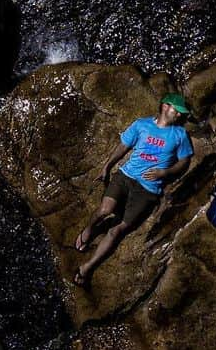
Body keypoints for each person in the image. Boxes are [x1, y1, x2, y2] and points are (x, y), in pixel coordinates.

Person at [73, 93, 194, 287]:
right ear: (165, 106)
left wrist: (165, 172)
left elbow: (185, 161)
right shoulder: (141, 125)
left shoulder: (179, 135)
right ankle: (88, 230)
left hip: (148, 189)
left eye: (182, 113)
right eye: (177, 111)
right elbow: (124, 146)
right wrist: (107, 166)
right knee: (105, 211)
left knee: (117, 230)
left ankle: (87, 268)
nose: (180, 115)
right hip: (126, 176)